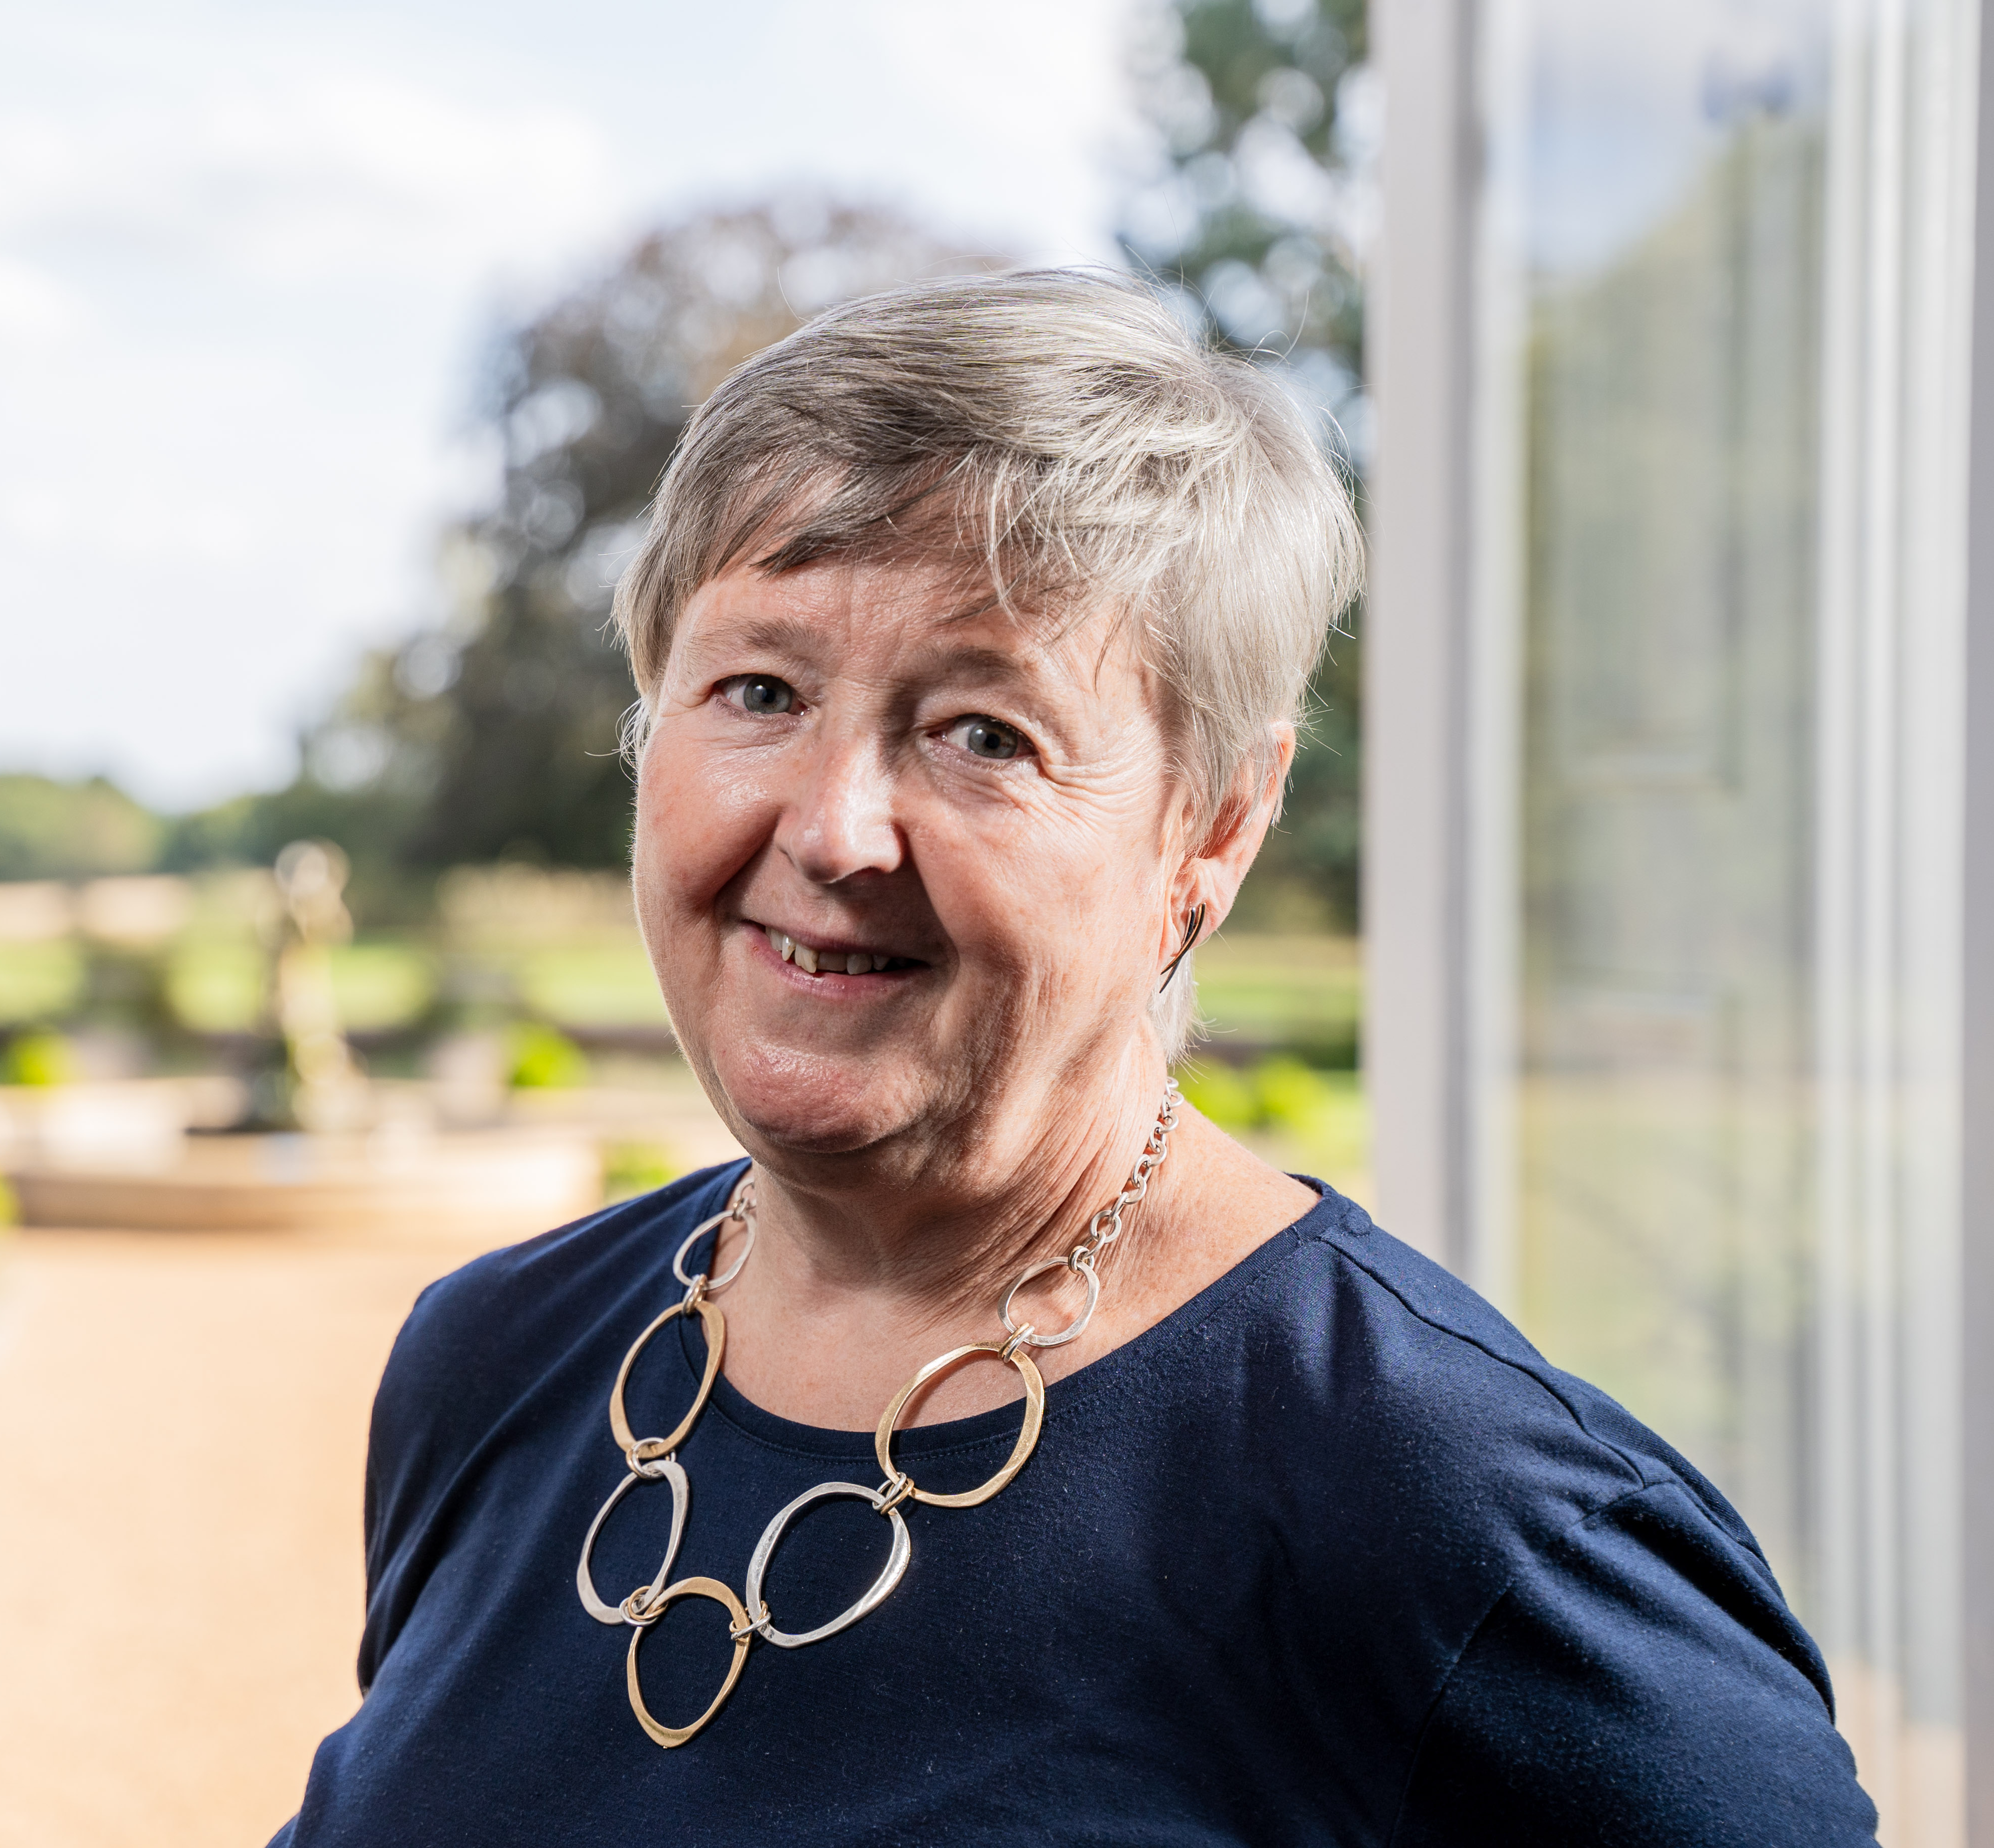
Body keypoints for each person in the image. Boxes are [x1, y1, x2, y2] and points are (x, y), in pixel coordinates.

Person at [271, 270, 1878, 1844]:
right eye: (758, 690)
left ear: (1216, 826)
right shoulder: (490, 1361)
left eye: (985, 732)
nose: (835, 831)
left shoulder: (1466, 1530)